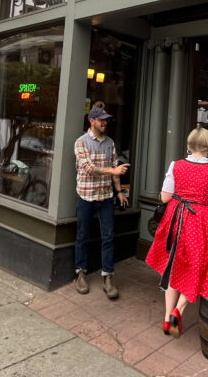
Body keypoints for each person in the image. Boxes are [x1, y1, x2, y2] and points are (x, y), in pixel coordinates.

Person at [145, 128, 208, 337]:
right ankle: (178, 310)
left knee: (173, 266)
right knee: (197, 267)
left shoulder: (176, 165)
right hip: (201, 222)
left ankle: (167, 320)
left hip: (176, 218)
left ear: (189, 145)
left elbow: (165, 198)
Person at [73, 107, 129, 300]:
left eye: (106, 120)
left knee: (108, 237)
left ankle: (108, 277)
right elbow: (89, 169)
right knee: (82, 235)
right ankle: (80, 273)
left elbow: (115, 166)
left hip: (105, 197)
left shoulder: (109, 143)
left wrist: (119, 192)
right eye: (101, 120)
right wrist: (114, 172)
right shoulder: (81, 143)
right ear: (92, 121)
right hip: (86, 196)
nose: (105, 123)